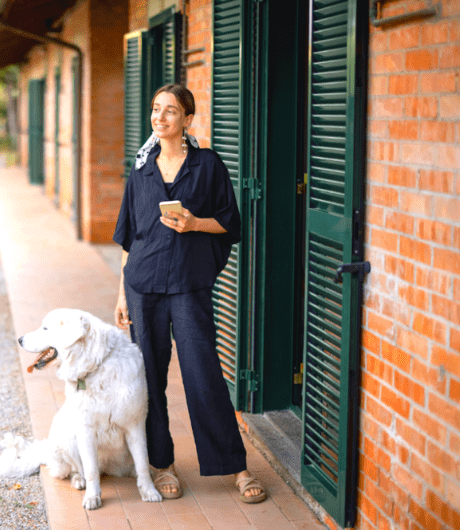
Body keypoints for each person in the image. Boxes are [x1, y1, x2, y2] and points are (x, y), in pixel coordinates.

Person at [112, 84, 266, 503]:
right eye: (156, 110)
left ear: (187, 120)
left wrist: (196, 223)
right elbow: (131, 239)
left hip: (188, 285)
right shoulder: (142, 169)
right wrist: (122, 294)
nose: (160, 118)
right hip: (142, 285)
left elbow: (230, 224)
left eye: (171, 111)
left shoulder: (208, 165)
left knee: (204, 374)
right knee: (150, 377)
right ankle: (161, 465)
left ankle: (235, 467)